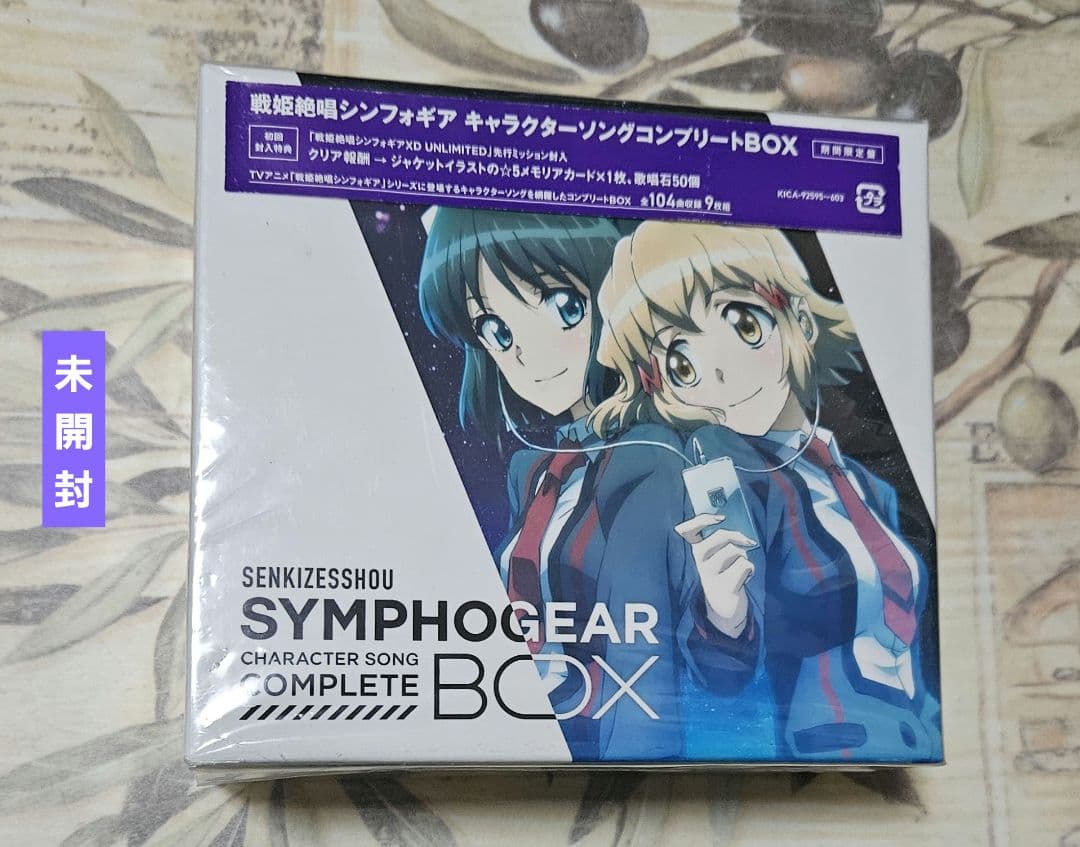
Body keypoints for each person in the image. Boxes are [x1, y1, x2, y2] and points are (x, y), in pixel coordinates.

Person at [590, 219, 942, 762]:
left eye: (742, 323)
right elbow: (723, 670)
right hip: (827, 755)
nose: (721, 374)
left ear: (798, 316)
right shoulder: (728, 480)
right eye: (682, 364)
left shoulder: (870, 487)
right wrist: (723, 610)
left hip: (915, 737)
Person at [418, 208, 754, 760]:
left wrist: (726, 613)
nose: (526, 353)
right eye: (497, 330)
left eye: (563, 305)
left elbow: (677, 668)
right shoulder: (532, 471)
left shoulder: (667, 456)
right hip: (516, 732)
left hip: (610, 751)